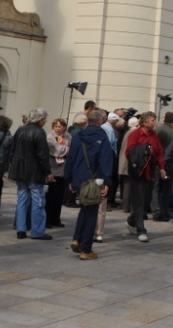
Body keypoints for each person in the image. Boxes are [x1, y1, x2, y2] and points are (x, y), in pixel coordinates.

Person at [65, 109, 113, 260]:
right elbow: (106, 160)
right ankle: (86, 248)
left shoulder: (78, 136)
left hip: (79, 178)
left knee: (84, 209)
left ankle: (77, 238)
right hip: (95, 179)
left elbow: (70, 158)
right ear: (100, 121)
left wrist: (69, 179)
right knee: (92, 212)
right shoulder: (102, 136)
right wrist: (107, 181)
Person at [10, 108, 53, 241]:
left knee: (22, 199)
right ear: (40, 120)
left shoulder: (20, 130)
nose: (45, 121)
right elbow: (42, 155)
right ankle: (37, 231)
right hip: (34, 171)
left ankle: (21, 229)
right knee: (38, 201)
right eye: (44, 119)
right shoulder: (39, 133)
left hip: (20, 170)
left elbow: (12, 149)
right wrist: (48, 172)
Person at [125, 111, 166, 243]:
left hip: (151, 169)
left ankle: (131, 220)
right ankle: (141, 230)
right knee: (138, 199)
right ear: (145, 122)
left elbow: (159, 152)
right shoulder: (135, 134)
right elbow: (129, 152)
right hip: (138, 170)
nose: (155, 122)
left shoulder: (154, 135)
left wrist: (162, 168)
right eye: (153, 120)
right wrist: (146, 150)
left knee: (146, 199)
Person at [46, 118, 71, 229]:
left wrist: (65, 149)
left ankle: (56, 218)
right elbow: (57, 151)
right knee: (50, 196)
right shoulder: (49, 137)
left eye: (60, 126)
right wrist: (66, 149)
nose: (58, 128)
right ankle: (48, 219)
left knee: (59, 196)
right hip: (53, 168)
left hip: (63, 170)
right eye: (56, 126)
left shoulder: (68, 136)